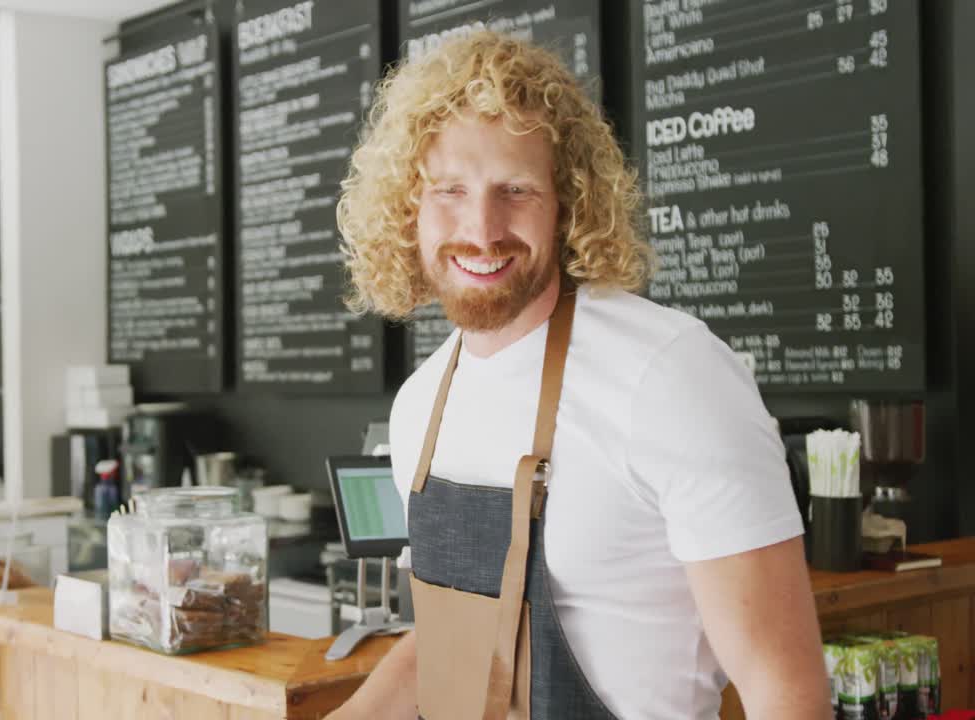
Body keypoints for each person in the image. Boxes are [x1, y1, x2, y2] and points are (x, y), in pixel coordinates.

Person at [329, 31, 828, 720]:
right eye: (449, 190)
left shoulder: (670, 376)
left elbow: (786, 690)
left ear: (566, 202)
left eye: (516, 190)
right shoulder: (422, 404)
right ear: (406, 209)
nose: (482, 227)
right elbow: (447, 648)